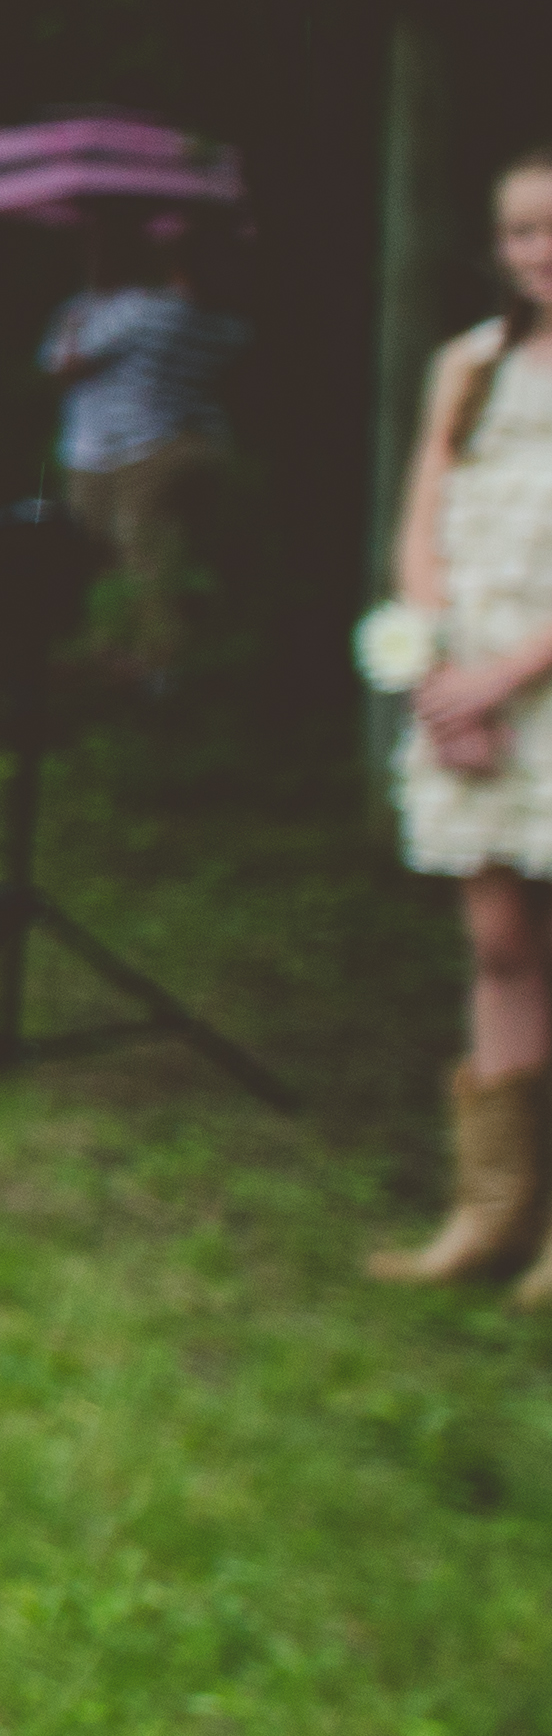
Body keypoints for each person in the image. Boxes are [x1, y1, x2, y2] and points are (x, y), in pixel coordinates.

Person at [372, 151, 552, 1303]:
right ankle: (490, 1208)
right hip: (470, 695)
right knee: (498, 944)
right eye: (525, 231)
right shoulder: (471, 368)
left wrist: (506, 676)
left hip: (536, 678)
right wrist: (438, 672)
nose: (542, 250)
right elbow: (422, 523)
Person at [43, 212, 244, 693]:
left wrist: (75, 321)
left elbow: (67, 365)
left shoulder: (149, 310)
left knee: (139, 557)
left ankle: (155, 670)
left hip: (144, 447)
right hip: (199, 443)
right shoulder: (228, 323)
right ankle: (148, 660)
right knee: (169, 555)